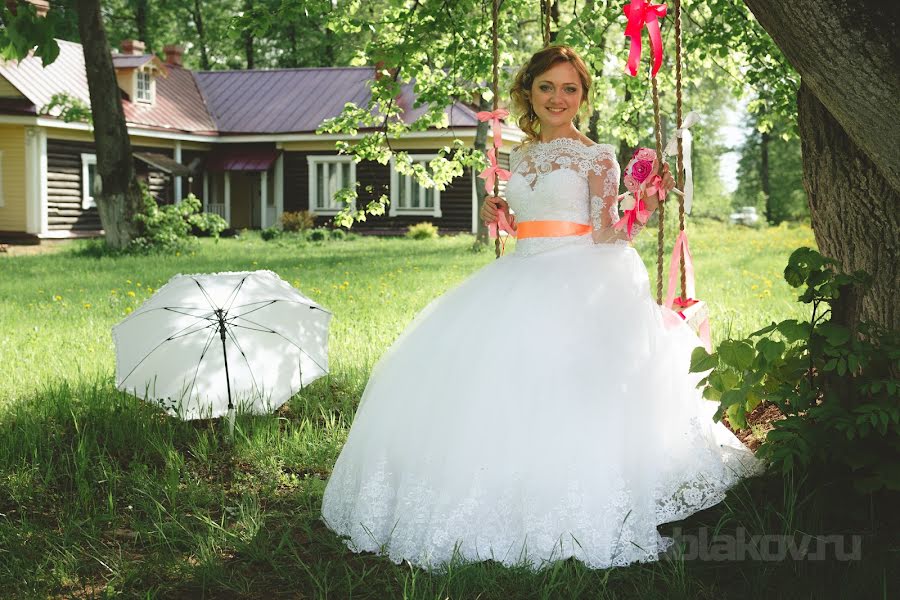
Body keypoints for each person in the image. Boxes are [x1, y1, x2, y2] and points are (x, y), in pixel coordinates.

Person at [320, 45, 763, 572]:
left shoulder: (597, 156)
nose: (558, 98)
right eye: (547, 87)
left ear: (583, 96)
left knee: (561, 378)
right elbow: (532, 220)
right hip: (522, 270)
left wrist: (642, 207)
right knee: (484, 376)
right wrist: (499, 212)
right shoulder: (522, 154)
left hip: (579, 272)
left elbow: (604, 231)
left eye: (569, 88)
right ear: (529, 91)